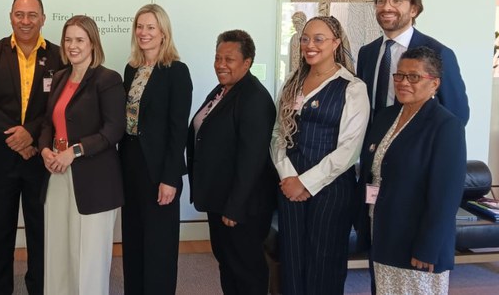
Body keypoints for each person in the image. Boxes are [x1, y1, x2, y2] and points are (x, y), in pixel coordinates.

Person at [0, 0, 63, 295]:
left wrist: (31, 135)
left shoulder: (59, 56)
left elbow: (57, 105)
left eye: (32, 15)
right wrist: (16, 137)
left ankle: (40, 289)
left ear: (43, 18)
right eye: (19, 14)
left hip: (40, 159)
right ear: (11, 16)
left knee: (41, 234)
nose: (25, 21)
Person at [271, 16, 370, 295]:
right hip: (289, 187)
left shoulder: (352, 87)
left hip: (331, 190)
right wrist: (288, 175)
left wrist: (306, 182)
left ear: (336, 43)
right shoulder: (293, 80)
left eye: (318, 39)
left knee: (323, 263)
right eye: (305, 39)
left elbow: (350, 150)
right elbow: (277, 133)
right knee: (291, 260)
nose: (309, 45)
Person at [358, 46, 466, 295]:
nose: (403, 82)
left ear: (434, 84)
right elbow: (372, 172)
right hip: (383, 231)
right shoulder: (386, 117)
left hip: (417, 242)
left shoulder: (446, 126)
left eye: (414, 77)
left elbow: (445, 197)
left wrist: (428, 247)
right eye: (399, 75)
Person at [38, 15, 125, 295]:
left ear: (92, 43)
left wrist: (73, 152)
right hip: (58, 175)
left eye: (79, 40)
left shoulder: (108, 79)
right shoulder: (60, 76)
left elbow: (113, 130)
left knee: (89, 259)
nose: (72, 46)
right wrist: (45, 150)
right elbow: (47, 123)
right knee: (58, 251)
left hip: (94, 181)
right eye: (68, 39)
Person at [186, 29, 277, 295]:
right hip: (219, 198)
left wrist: (234, 207)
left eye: (229, 59)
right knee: (227, 264)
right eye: (217, 58)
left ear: (247, 63)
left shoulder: (254, 98)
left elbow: (253, 159)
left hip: (242, 207)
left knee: (247, 270)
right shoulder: (224, 90)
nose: (220, 65)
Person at [119, 4, 192, 295]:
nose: (144, 33)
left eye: (151, 27)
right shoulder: (131, 69)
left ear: (163, 33)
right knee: (134, 239)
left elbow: (179, 130)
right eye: (140, 26)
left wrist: (171, 178)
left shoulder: (176, 71)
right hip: (130, 162)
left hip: (160, 169)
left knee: (159, 245)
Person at [357, 0, 469, 125]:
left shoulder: (439, 53)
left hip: (416, 145)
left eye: (396, 1)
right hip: (373, 144)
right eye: (381, 1)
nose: (386, 7)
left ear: (414, 9)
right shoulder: (367, 53)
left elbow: (457, 115)